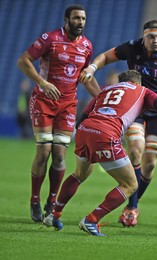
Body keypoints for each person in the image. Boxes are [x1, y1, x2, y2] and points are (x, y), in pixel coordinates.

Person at [42, 70, 157, 236]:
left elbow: (82, 117)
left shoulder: (107, 90)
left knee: (79, 174)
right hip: (105, 134)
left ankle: (54, 214)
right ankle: (91, 219)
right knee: (130, 185)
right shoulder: (142, 91)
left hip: (84, 130)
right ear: (138, 83)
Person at [79, 20, 157, 227]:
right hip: (134, 110)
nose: (156, 41)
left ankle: (132, 202)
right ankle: (131, 208)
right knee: (135, 149)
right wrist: (92, 66)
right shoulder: (132, 47)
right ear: (144, 36)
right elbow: (107, 56)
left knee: (150, 164)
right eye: (151, 37)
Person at [16, 4, 100, 223]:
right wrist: (42, 83)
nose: (80, 22)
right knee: (43, 152)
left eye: (83, 18)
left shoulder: (87, 46)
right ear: (66, 20)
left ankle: (52, 200)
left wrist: (102, 99)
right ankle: (35, 199)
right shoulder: (50, 38)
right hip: (44, 101)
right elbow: (23, 60)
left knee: (60, 155)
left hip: (68, 105)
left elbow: (85, 77)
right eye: (76, 18)